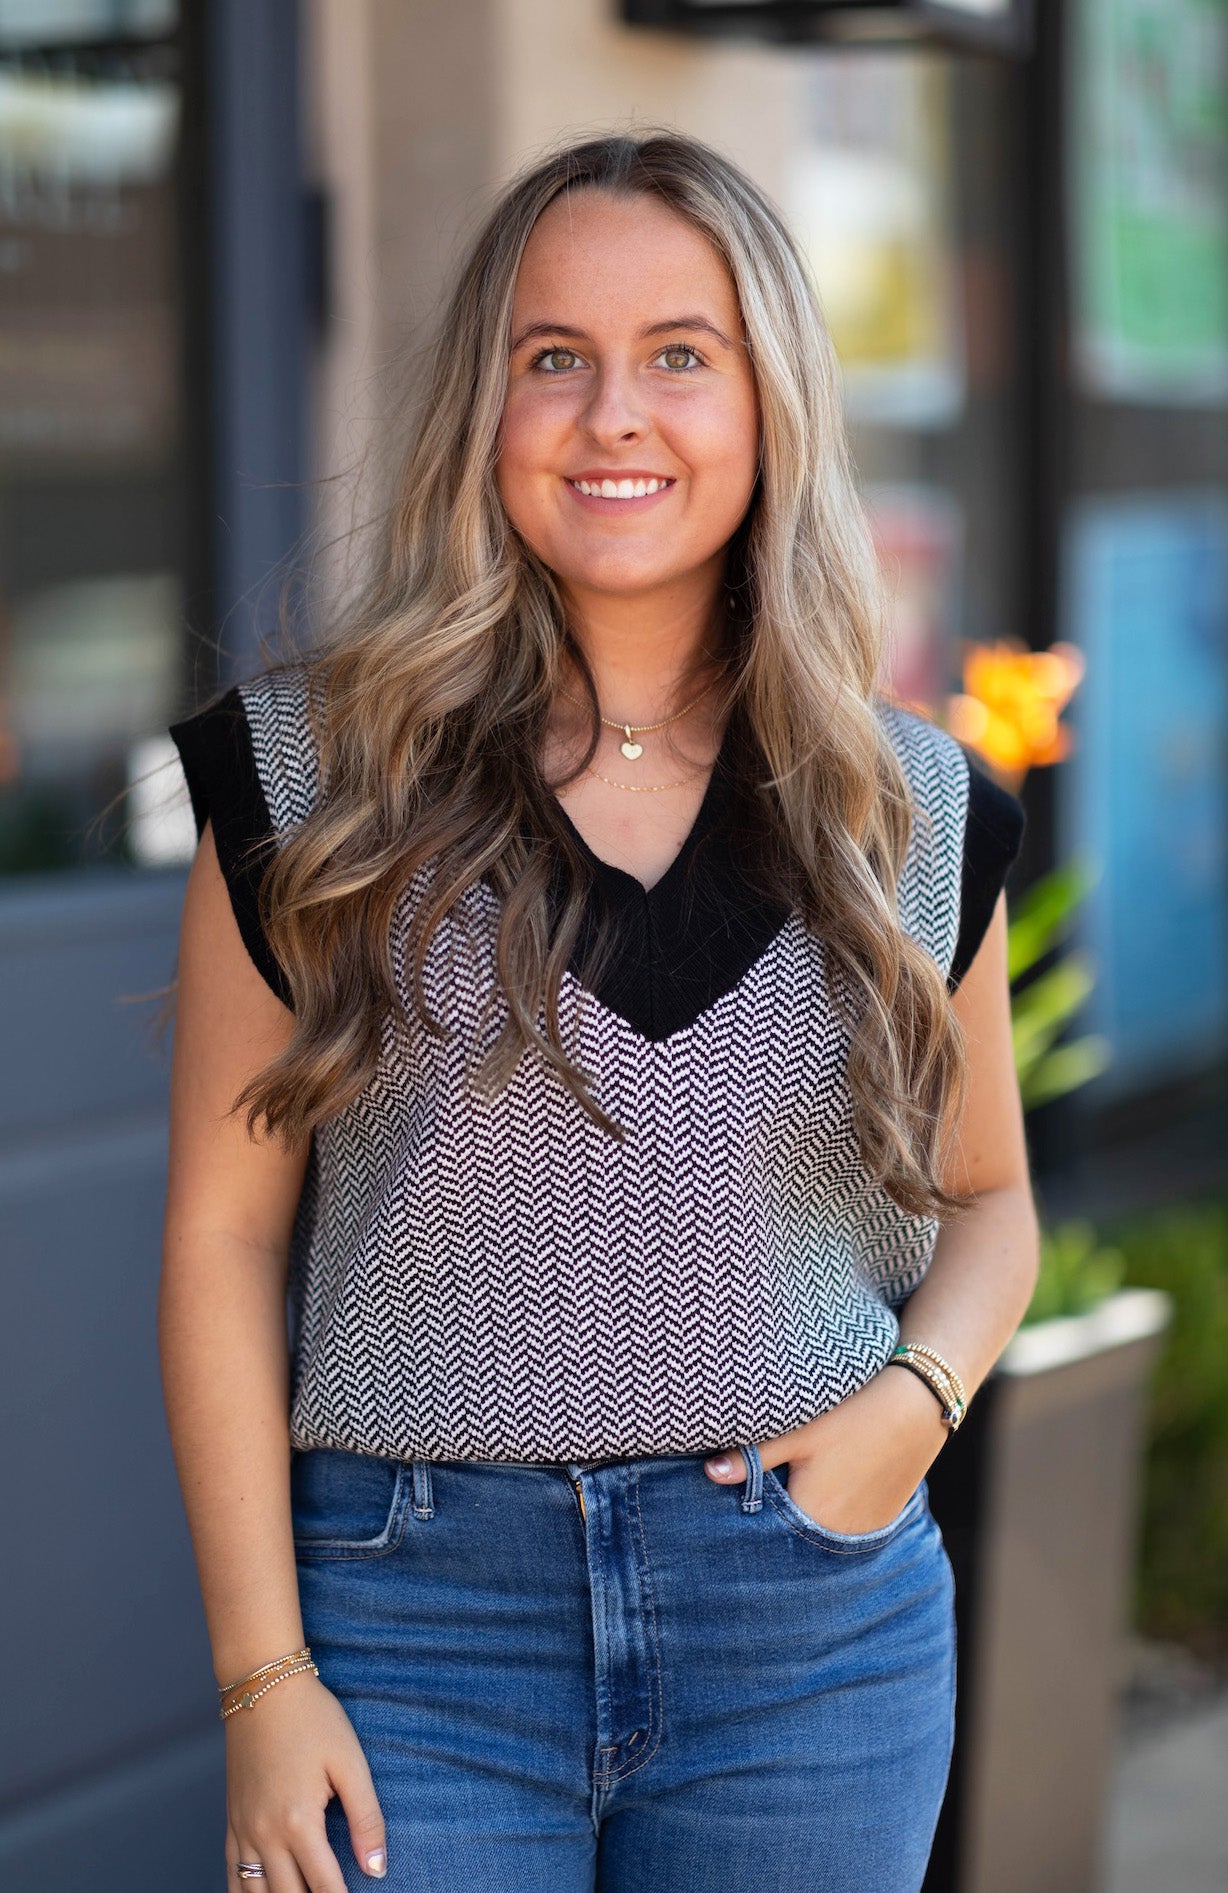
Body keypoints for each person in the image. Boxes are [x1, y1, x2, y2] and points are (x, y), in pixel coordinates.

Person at [162, 130, 1038, 1893]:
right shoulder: (310, 782)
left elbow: (994, 1200)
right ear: (481, 414)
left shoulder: (912, 810)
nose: (611, 413)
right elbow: (218, 1235)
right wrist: (262, 1676)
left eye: (680, 356)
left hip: (809, 1640)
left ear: (771, 401)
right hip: (413, 1634)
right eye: (551, 358)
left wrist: (910, 1410)